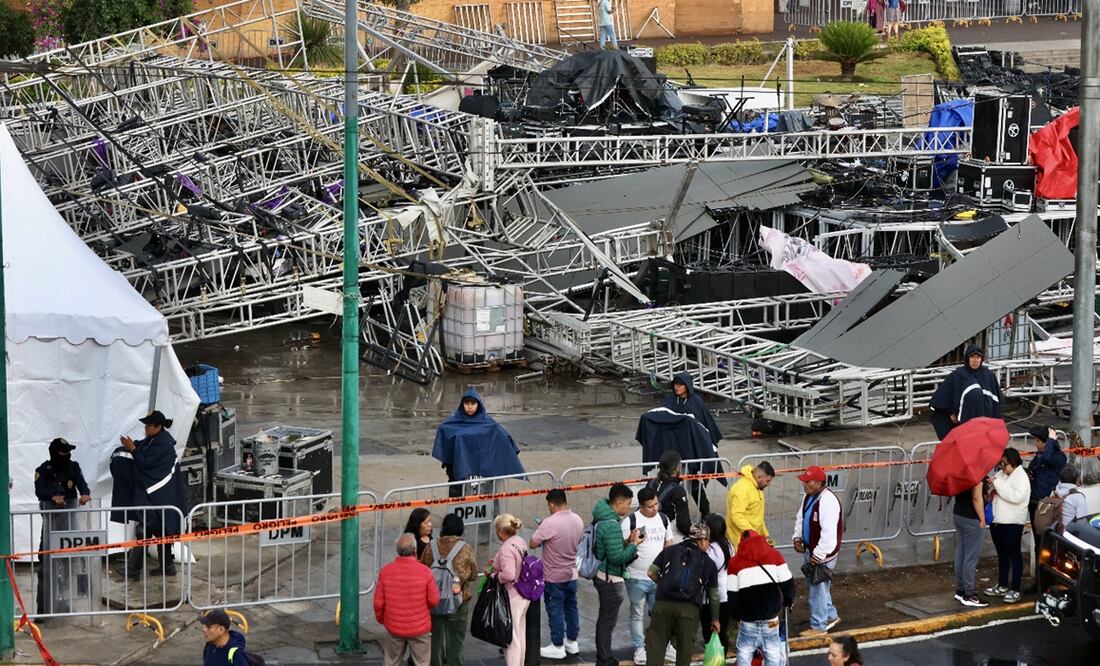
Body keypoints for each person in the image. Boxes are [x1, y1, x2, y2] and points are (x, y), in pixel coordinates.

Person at [119, 410, 187, 580]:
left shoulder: (163, 444)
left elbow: (145, 464)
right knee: (159, 530)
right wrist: (130, 447)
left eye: (149, 426)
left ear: (158, 427)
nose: (145, 429)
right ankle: (167, 566)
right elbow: (142, 446)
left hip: (159, 495)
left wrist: (133, 449)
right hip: (156, 497)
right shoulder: (153, 439)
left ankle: (134, 569)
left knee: (145, 531)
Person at [644, 523, 721, 666]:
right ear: (702, 540)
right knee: (684, 654)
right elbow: (713, 595)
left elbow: (651, 572)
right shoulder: (708, 562)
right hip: (689, 611)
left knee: (655, 649)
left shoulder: (669, 551)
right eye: (708, 541)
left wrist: (663, 584)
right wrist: (715, 619)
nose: (708, 544)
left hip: (661, 607)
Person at [34, 437, 91, 615]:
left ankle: (65, 604)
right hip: (51, 524)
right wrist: (52, 496)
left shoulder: (73, 467)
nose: (67, 455)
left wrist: (85, 494)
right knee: (46, 566)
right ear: (54, 453)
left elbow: (82, 485)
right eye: (64, 452)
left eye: (69, 452)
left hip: (70, 524)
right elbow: (39, 490)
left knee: (69, 566)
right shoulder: (43, 470)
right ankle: (44, 609)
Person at [432, 388, 523, 496]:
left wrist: (510, 450)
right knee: (458, 496)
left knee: (486, 498)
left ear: (478, 404)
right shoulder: (453, 422)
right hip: (458, 470)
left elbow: (502, 436)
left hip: (484, 470)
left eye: (473, 403)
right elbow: (445, 434)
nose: (470, 406)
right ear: (462, 404)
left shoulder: (488, 422)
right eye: (466, 403)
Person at [530, 489, 584, 660]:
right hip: (572, 573)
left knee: (555, 609)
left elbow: (532, 543)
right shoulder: (578, 520)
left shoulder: (549, 523)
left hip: (554, 575)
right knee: (571, 607)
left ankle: (557, 645)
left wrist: (542, 530)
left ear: (552, 504)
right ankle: (572, 642)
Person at [592, 483, 642, 666]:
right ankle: (604, 659)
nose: (630, 507)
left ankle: (604, 656)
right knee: (607, 622)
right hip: (610, 579)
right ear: (618, 502)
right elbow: (616, 557)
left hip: (602, 576)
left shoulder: (603, 517)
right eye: (628, 503)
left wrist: (627, 540)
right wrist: (633, 545)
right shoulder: (612, 525)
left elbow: (610, 547)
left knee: (604, 620)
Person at [728, 530, 795, 666]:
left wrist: (737, 615)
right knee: (772, 651)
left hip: (748, 618)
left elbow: (732, 595)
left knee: (745, 652)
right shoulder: (775, 556)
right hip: (771, 616)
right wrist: (789, 600)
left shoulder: (735, 563)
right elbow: (788, 582)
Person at [660, 373, 723, 515]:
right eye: (675, 384)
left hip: (690, 449)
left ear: (687, 386)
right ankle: (671, 513)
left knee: (694, 482)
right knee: (670, 483)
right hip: (674, 449)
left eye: (680, 384)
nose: (677, 387)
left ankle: (705, 512)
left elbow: (704, 424)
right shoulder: (669, 401)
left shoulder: (696, 402)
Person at [622, 486, 671, 665]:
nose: (655, 508)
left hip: (657, 578)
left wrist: (666, 566)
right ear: (641, 506)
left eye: (656, 504)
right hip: (636, 577)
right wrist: (630, 540)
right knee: (636, 613)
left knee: (659, 614)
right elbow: (622, 546)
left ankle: (664, 646)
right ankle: (640, 647)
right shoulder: (630, 521)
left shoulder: (663, 519)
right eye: (650, 506)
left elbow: (669, 541)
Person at [792, 466, 843, 637]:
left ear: (819, 483)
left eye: (808, 481)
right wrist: (797, 538)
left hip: (822, 554)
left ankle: (818, 626)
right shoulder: (809, 497)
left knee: (817, 588)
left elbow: (828, 532)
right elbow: (801, 518)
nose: (804, 484)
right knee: (819, 586)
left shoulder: (828, 502)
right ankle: (829, 615)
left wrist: (819, 555)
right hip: (813, 550)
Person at [374, 533, 439, 666]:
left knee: (392, 661)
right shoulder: (425, 572)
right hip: (419, 628)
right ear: (415, 551)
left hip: (394, 626)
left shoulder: (385, 572)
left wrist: (382, 619)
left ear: (398, 551)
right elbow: (434, 600)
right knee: (422, 662)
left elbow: (378, 603)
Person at [421, 514, 477, 666]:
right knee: (456, 641)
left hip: (434, 599)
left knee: (435, 640)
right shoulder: (466, 548)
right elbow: (472, 574)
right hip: (459, 600)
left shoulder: (431, 546)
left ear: (443, 528)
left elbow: (423, 569)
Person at [928, 345, 1004, 439]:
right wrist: (950, 413)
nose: (975, 360)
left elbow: (997, 400)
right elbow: (941, 399)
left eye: (978, 357)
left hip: (984, 423)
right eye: (972, 357)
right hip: (963, 423)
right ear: (967, 358)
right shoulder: (958, 375)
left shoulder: (988, 376)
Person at [984, 447, 1030, 603]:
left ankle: (1015, 588)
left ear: (1013, 462)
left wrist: (997, 483)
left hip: (1012, 523)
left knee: (1014, 556)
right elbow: (998, 489)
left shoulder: (1021, 477)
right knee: (1002, 555)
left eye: (1004, 464)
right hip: (997, 522)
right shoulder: (1001, 474)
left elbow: (1015, 496)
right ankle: (1002, 585)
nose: (1002, 467)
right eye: (1000, 464)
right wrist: (992, 486)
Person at [490, 513, 531, 666]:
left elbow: (509, 574)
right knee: (520, 635)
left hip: (512, 596)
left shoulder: (507, 548)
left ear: (501, 530)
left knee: (511, 639)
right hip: (524, 595)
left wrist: (495, 576)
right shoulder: (519, 541)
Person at [699, 514, 733, 656]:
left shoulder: (711, 550)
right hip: (726, 594)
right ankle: (720, 659)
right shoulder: (728, 545)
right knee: (722, 632)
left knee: (710, 633)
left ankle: (715, 661)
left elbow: (704, 571)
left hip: (711, 598)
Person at [952, 478, 988, 608]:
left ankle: (960, 590)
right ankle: (969, 594)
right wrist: (982, 519)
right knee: (971, 557)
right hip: (972, 518)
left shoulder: (959, 472)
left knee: (961, 553)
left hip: (958, 514)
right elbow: (976, 498)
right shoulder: (976, 474)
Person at [726, 462, 775, 549]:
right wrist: (753, 533)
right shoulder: (742, 489)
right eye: (768, 481)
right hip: (741, 541)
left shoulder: (757, 487)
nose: (769, 484)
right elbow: (736, 516)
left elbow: (757, 515)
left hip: (752, 539)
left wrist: (765, 534)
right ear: (759, 477)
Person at [648, 451, 692, 544]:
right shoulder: (678, 491)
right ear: (677, 467)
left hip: (648, 530)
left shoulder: (651, 483)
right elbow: (683, 524)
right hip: (666, 533)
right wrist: (694, 534)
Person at [1054, 464, 1088, 531]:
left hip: (1055, 530)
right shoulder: (1079, 497)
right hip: (1069, 532)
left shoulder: (1055, 491)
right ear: (1075, 479)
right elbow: (1081, 521)